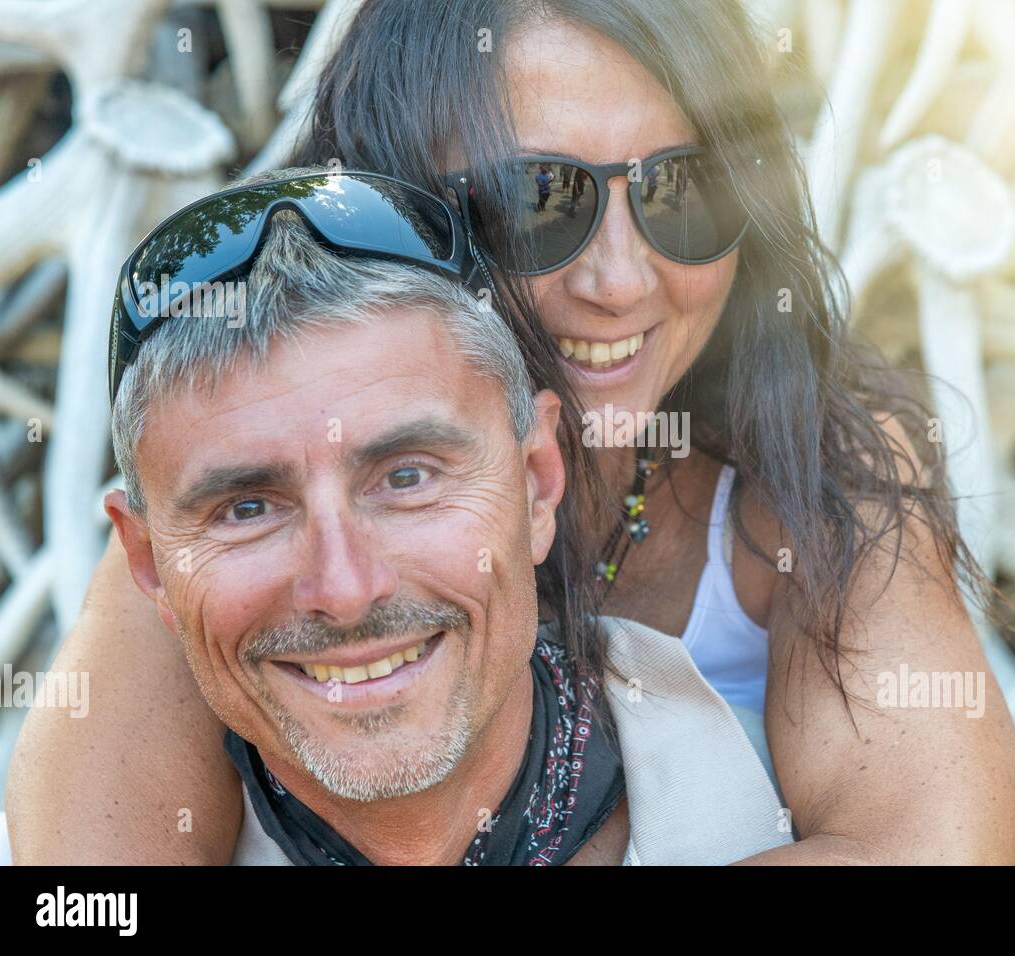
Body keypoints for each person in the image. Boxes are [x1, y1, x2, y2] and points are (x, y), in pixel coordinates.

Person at [8, 0, 1015, 865]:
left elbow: (926, 846)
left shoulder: (808, 458)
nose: (621, 280)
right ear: (400, 210)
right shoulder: (245, 513)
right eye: (540, 201)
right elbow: (92, 879)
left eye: (680, 189)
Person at [99, 170, 790, 866]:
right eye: (246, 509)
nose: (344, 591)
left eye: (406, 478)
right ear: (151, 564)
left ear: (535, 483)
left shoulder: (781, 814)